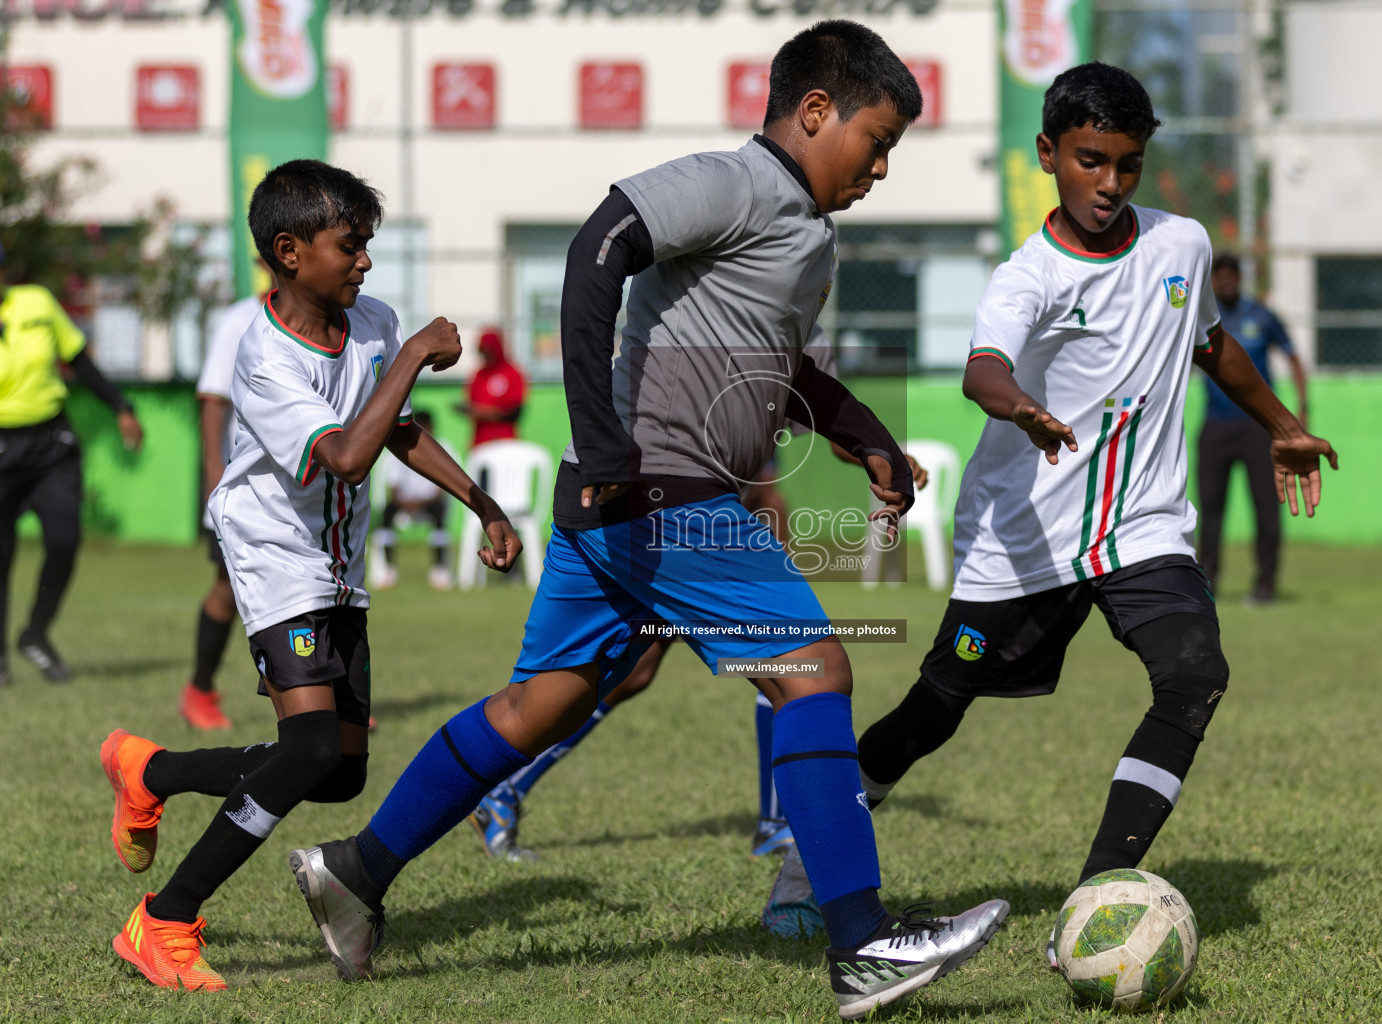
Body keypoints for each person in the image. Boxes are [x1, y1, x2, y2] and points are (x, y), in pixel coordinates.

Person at [285, 22, 1006, 1021]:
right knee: (815, 668)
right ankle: (862, 940)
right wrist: (605, 434)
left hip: (617, 501)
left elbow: (784, 367)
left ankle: (355, 869)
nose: (881, 166)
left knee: (544, 701)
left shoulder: (803, 233)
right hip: (666, 491)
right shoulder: (740, 181)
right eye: (874, 140)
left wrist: (867, 438)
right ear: (811, 112)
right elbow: (599, 246)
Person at [764, 62, 1339, 969]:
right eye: (1090, 160)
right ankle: (803, 865)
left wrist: (1282, 423)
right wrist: (1017, 406)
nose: (1109, 184)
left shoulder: (1182, 246)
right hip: (1020, 540)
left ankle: (1096, 899)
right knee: (932, 712)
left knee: (1195, 673)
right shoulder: (1025, 275)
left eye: (1128, 165)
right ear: (1049, 155)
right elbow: (981, 368)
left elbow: (1212, 344)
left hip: (1143, 530)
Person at [99, 159, 519, 991]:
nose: (365, 262)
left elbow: (394, 431)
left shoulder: (371, 323)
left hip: (337, 566)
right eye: (350, 246)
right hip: (271, 557)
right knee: (310, 750)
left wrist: (482, 504)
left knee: (339, 768)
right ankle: (165, 919)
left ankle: (153, 772)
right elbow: (347, 457)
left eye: (367, 245)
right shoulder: (263, 357)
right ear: (289, 251)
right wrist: (412, 355)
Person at [468, 327, 932, 874]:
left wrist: (882, 454)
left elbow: (828, 431)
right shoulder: (726, 308)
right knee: (792, 651)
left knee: (637, 672)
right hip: (676, 514)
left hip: (711, 513)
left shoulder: (811, 332)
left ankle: (502, 794)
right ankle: (776, 827)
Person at [0, 246, 143, 685]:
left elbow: (78, 361)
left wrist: (121, 406)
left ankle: (36, 633)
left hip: (51, 444)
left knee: (63, 542)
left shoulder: (36, 303)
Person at [1198, 253, 1308, 603]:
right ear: (1212, 280)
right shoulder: (1203, 317)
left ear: (1241, 278)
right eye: (1220, 275)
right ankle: (1206, 585)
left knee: (1267, 505)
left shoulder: (1261, 315)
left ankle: (1266, 585)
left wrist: (1302, 410)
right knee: (1210, 510)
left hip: (1258, 429)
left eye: (1232, 274)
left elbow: (1293, 358)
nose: (1226, 281)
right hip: (1215, 427)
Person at [178, 282, 263, 729]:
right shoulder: (240, 319)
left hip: (311, 485)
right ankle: (199, 691)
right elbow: (213, 399)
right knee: (229, 585)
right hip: (245, 482)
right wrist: (214, 469)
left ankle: (341, 703)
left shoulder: (338, 316)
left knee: (329, 586)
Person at [373, 408, 454, 591]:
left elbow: (442, 489)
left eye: (427, 428)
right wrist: (405, 504)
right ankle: (388, 568)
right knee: (386, 514)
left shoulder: (444, 448)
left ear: (433, 428)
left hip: (429, 502)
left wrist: (419, 503)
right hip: (404, 502)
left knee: (440, 513)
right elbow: (393, 488)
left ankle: (439, 569)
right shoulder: (401, 447)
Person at [462, 326, 526, 449]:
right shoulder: (478, 375)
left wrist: (485, 413)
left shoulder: (512, 373)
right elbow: (471, 404)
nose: (484, 355)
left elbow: (515, 413)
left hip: (505, 440)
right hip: (480, 441)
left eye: (487, 350)